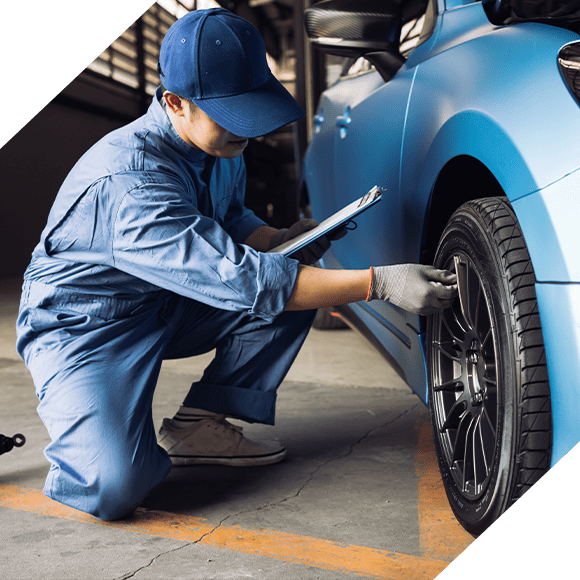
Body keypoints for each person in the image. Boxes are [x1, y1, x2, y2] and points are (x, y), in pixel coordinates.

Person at [16, 8, 457, 521]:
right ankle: (90, 443)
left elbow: (231, 218)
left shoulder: (221, 143)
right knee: (113, 487)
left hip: (170, 300)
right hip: (86, 326)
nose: (246, 129)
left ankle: (197, 425)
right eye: (232, 114)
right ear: (174, 103)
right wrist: (379, 283)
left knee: (291, 271)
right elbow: (242, 278)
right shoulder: (130, 183)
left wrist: (283, 238)